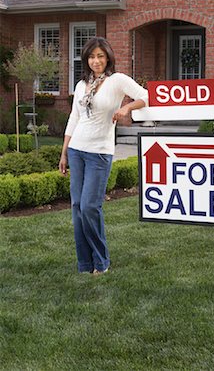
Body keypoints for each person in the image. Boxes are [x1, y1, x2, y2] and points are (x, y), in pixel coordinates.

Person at [59, 37, 148, 275]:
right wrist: (64, 151)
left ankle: (101, 261)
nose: (95, 61)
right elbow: (74, 118)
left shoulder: (117, 81)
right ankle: (85, 264)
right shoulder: (81, 85)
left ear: (107, 57)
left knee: (90, 206)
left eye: (100, 56)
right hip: (77, 150)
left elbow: (145, 96)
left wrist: (126, 108)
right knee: (77, 206)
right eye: (91, 56)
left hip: (99, 153)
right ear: (86, 59)